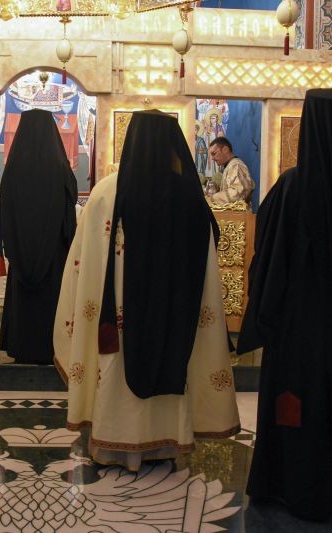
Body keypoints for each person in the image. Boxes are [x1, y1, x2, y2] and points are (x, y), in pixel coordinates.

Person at [54, 110, 240, 471]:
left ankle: (113, 443)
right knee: (172, 358)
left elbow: (82, 262)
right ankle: (165, 441)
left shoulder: (106, 192)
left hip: (119, 320)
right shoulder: (189, 196)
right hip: (172, 318)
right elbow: (206, 264)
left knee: (115, 368)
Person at [237, 89, 332, 521]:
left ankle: (290, 487)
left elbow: (267, 261)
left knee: (297, 408)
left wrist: (265, 314)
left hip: (299, 337)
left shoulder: (293, 188)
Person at [0, 109, 77, 364]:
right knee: (51, 300)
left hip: (20, 254)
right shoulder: (60, 167)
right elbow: (69, 215)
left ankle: (21, 346)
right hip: (53, 256)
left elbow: (4, 213)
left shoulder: (13, 168)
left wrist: (9, 246)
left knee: (23, 303)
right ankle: (50, 348)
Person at [208, 137, 254, 205]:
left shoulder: (236, 165)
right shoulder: (230, 165)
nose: (212, 158)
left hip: (238, 211)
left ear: (225, 149)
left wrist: (213, 198)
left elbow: (238, 192)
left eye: (214, 153)